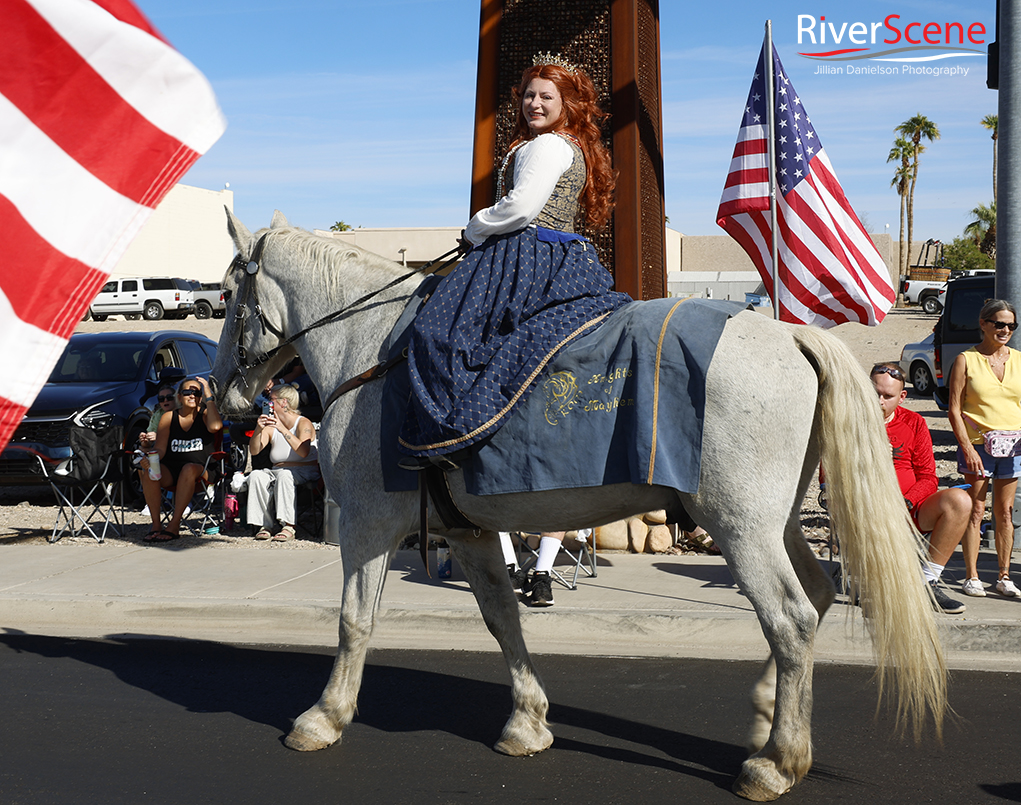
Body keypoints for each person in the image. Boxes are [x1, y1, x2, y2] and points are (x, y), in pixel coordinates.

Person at [398, 53, 632, 468]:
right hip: (560, 256)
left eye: (546, 96)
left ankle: (447, 438)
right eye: (528, 95)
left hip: (524, 255)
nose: (534, 104)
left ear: (567, 104)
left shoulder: (545, 145)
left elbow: (520, 208)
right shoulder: (570, 146)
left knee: (436, 330)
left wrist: (474, 228)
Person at [870, 362, 970, 613]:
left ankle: (927, 581)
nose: (879, 401)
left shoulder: (913, 423)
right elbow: (828, 473)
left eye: (887, 396)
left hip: (908, 508)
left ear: (902, 397)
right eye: (874, 393)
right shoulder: (847, 420)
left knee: (960, 501)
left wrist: (906, 502)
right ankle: (873, 582)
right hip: (866, 509)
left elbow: (928, 477)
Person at [947, 299, 1021, 598]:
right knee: (976, 509)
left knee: (1005, 512)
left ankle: (1004, 575)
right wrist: (967, 447)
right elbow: (954, 408)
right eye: (999, 324)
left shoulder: (1018, 359)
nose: (1005, 330)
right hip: (978, 445)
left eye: (1011, 326)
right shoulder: (967, 359)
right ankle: (972, 575)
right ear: (984, 324)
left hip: (1013, 446)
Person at [139, 376, 222, 541]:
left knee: (188, 468)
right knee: (148, 471)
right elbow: (161, 450)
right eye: (187, 392)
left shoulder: (205, 414)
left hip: (201, 469)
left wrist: (208, 396)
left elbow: (215, 427)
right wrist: (149, 457)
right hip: (172, 469)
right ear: (179, 397)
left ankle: (174, 524)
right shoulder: (168, 417)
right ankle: (156, 524)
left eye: (196, 392)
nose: (192, 396)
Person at [245, 384, 320, 541]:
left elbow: (303, 451)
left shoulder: (303, 423)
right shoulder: (271, 425)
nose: (268, 403)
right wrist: (259, 429)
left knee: (285, 475)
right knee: (256, 475)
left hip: (304, 470)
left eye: (271, 399)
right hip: (278, 470)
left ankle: (288, 526)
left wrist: (282, 428)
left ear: (284, 402)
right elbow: (254, 450)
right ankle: (264, 525)